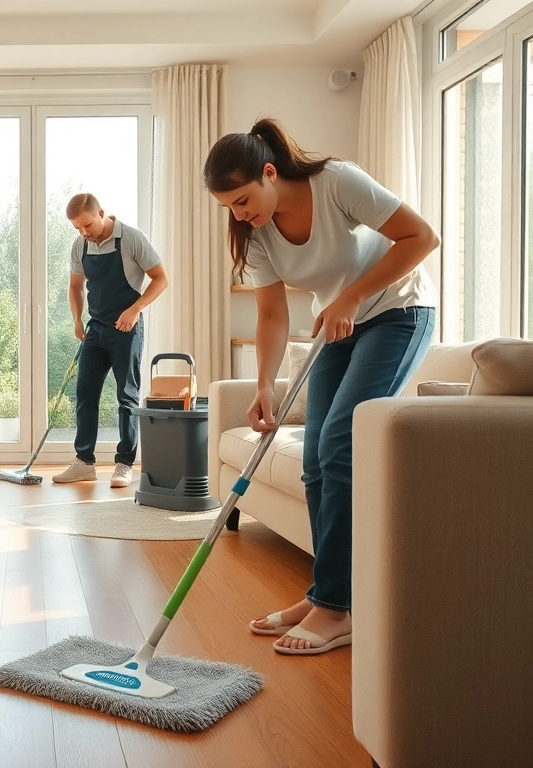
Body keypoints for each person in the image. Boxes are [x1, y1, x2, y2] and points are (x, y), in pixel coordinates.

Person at [203, 119, 438, 655]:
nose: (240, 215)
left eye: (243, 200)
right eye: (230, 208)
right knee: (314, 459)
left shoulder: (336, 182)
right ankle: (326, 595)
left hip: (400, 310)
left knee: (339, 444)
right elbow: (269, 314)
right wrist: (264, 384)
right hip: (337, 324)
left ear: (269, 172)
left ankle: (337, 608)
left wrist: (352, 298)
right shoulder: (256, 233)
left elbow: (422, 237)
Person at [52, 193, 168, 488]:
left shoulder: (131, 238)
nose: (84, 232)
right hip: (96, 328)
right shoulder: (80, 245)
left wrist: (135, 309)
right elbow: (75, 287)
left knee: (126, 396)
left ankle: (124, 463)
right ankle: (84, 462)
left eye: (87, 225)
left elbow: (161, 278)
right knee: (85, 395)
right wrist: (77, 319)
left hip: (126, 330)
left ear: (101, 213)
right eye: (77, 228)